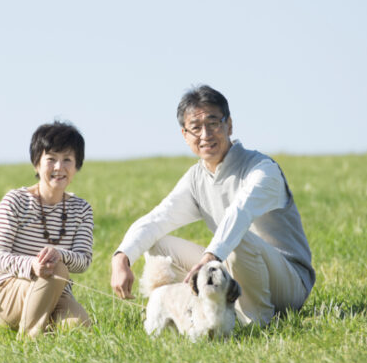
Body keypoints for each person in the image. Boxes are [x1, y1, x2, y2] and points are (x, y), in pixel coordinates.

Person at [110, 85, 314, 327]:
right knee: (157, 246)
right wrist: (121, 258)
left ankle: (256, 322)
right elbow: (158, 219)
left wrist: (209, 257)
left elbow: (240, 213)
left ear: (229, 125)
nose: (205, 134)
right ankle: (191, 317)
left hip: (288, 284)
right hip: (230, 269)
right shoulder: (196, 178)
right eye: (195, 128)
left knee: (239, 235)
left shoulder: (263, 169)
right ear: (185, 135)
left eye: (213, 123)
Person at [0, 121, 94, 337]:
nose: (59, 168)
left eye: (67, 160)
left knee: (80, 327)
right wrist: (33, 266)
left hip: (56, 293)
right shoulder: (15, 201)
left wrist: (59, 254)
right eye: (51, 159)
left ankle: (43, 329)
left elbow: (83, 261)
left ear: (77, 166)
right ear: (36, 163)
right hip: (8, 293)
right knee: (58, 269)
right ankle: (28, 339)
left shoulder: (82, 209)